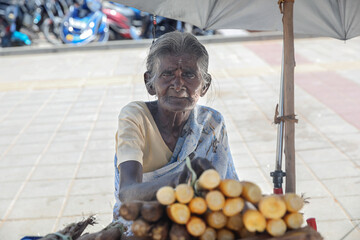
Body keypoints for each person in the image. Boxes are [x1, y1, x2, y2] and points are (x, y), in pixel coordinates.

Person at [113, 31, 238, 222]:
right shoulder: (135, 116)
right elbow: (127, 192)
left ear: (205, 86)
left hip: (198, 222)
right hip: (140, 225)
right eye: (167, 74)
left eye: (189, 75)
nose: (178, 84)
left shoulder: (212, 123)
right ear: (149, 83)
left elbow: (228, 191)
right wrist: (181, 179)